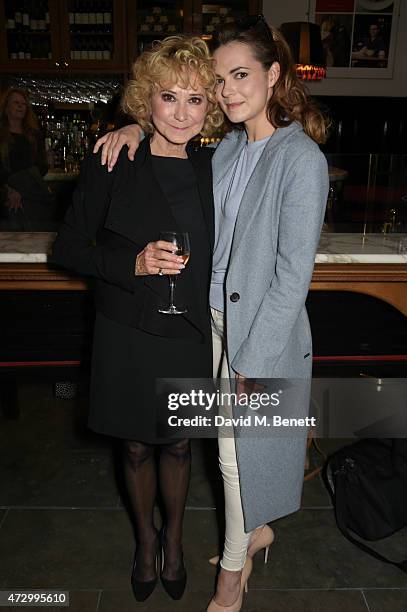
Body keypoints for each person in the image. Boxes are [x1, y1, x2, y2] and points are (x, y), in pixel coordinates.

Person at [94, 15, 329, 611]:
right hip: (208, 329)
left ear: (274, 76)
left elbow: (291, 280)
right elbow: (167, 144)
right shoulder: (222, 150)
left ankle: (231, 573)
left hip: (257, 339)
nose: (226, 91)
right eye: (218, 79)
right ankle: (254, 534)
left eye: (240, 74)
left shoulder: (299, 158)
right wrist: (130, 126)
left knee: (229, 459)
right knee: (226, 456)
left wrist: (252, 358)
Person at [51, 36, 223, 603]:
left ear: (210, 108)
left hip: (189, 330)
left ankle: (174, 541)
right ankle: (144, 542)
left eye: (195, 100)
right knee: (133, 447)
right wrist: (131, 262)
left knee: (178, 446)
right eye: (168, 96)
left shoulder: (215, 163)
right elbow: (69, 248)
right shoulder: (114, 158)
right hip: (127, 329)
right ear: (146, 98)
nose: (180, 112)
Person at [0, 88, 50, 230]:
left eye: (23, 104)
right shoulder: (1, 135)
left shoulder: (33, 135)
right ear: (6, 107)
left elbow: (42, 166)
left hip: (31, 197)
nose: (21, 106)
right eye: (16, 103)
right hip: (5, 197)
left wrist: (23, 188)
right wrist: (8, 190)